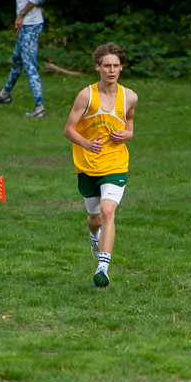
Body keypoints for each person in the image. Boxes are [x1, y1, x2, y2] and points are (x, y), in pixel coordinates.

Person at [63, 43, 137, 288]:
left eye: (116, 65)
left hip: (115, 163)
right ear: (98, 67)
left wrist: (126, 135)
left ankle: (102, 268)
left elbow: (129, 124)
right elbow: (68, 130)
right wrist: (86, 144)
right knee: (95, 218)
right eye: (107, 66)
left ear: (121, 67)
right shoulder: (86, 96)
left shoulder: (130, 97)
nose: (111, 70)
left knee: (107, 211)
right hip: (87, 166)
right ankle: (94, 235)